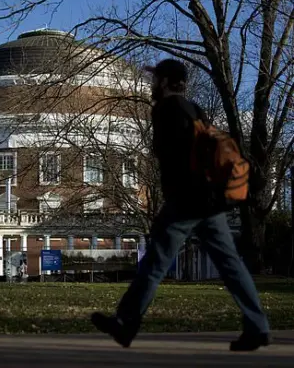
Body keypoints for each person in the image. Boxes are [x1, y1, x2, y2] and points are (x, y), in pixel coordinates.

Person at [91, 58, 271, 352]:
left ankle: (126, 322)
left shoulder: (168, 110)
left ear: (164, 82)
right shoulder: (194, 109)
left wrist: (179, 197)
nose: (151, 85)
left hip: (187, 201)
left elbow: (178, 160)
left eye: (155, 80)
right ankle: (258, 326)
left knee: (155, 262)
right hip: (210, 201)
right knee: (230, 265)